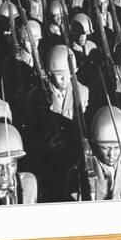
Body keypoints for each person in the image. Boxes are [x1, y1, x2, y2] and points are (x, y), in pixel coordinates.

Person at [24, 45, 89, 202]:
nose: (65, 79)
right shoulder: (35, 96)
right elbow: (29, 134)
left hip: (75, 156)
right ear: (49, 73)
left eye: (69, 74)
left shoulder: (82, 91)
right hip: (48, 162)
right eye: (60, 75)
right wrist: (45, 146)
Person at [65, 107, 121, 200]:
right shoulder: (79, 170)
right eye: (105, 148)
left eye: (116, 148)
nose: (111, 155)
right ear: (96, 144)